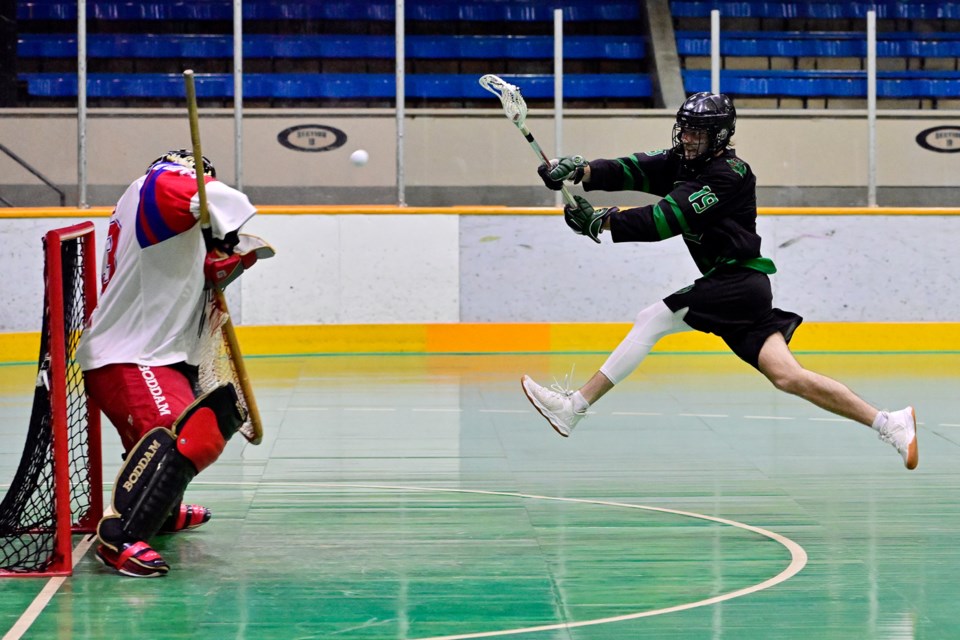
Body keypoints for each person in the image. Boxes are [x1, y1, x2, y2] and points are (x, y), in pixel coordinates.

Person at [520, 92, 918, 471]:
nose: (687, 138)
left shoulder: (729, 174)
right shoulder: (684, 159)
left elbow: (665, 220)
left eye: (697, 132)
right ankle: (889, 423)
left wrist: (604, 220)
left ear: (721, 135)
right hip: (743, 290)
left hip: (738, 282)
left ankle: (576, 407)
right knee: (789, 377)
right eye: (685, 129)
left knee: (653, 318)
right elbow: (634, 168)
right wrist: (579, 170)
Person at [77, 150, 273, 577]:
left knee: (205, 423)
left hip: (158, 354)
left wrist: (218, 261)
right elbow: (198, 194)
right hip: (131, 354)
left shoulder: (159, 220)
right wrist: (227, 235)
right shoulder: (155, 185)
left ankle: (160, 510)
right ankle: (120, 537)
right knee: (181, 432)